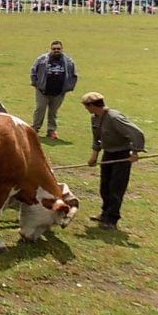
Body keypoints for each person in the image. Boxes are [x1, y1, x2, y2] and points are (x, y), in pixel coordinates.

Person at [82, 92, 146, 230]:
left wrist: (135, 152)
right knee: (105, 186)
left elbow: (137, 133)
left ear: (92, 105)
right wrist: (94, 156)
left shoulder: (114, 117)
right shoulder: (95, 118)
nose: (86, 109)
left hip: (122, 155)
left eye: (86, 106)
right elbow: (97, 138)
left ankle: (111, 219)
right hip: (108, 154)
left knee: (116, 188)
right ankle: (105, 213)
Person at [30, 40, 78, 139]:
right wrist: (37, 84)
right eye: (54, 49)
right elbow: (33, 71)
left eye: (58, 49)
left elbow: (74, 75)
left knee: (53, 112)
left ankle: (51, 131)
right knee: (40, 109)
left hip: (59, 92)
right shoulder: (42, 59)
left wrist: (69, 87)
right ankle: (35, 128)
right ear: (50, 49)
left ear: (62, 49)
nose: (56, 50)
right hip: (43, 91)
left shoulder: (68, 61)